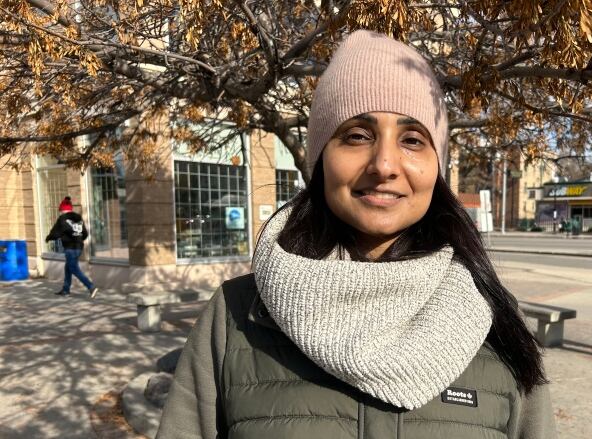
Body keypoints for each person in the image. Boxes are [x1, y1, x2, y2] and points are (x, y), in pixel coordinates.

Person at [156, 30, 556, 439]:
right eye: (358, 136)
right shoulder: (237, 316)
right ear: (321, 159)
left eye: (413, 139)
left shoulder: (496, 320)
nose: (384, 164)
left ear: (436, 166)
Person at [45, 196, 98, 298]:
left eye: (60, 211)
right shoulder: (78, 218)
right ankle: (66, 290)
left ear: (62, 210)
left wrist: (48, 238)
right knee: (68, 267)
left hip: (70, 248)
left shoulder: (62, 219)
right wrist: (77, 239)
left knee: (73, 268)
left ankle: (91, 287)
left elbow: (55, 233)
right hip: (78, 247)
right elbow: (85, 234)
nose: (59, 213)